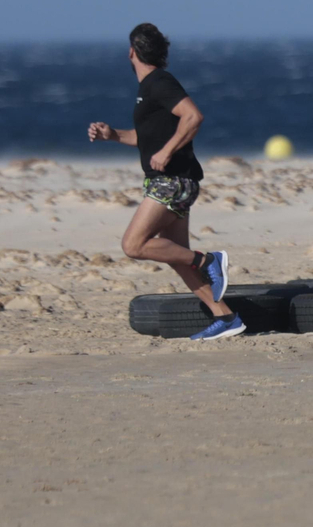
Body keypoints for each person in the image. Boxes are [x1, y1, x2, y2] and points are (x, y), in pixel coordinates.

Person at [86, 23, 242, 341]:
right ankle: (226, 318)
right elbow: (145, 139)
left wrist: (167, 151)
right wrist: (112, 135)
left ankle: (210, 260)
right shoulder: (148, 89)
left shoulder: (159, 82)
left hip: (171, 181)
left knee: (134, 245)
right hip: (172, 181)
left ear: (131, 52)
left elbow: (193, 116)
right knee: (176, 257)